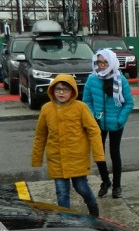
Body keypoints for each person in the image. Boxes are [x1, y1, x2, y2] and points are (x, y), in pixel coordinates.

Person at [31, 74, 104, 217]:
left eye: (65, 89)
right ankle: (65, 219)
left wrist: (99, 155)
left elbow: (94, 131)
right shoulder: (46, 109)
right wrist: (36, 158)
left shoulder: (80, 107)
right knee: (62, 192)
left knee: (82, 188)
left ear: (72, 91)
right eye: (58, 89)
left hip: (77, 159)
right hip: (56, 159)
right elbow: (40, 135)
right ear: (52, 90)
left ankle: (93, 209)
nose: (61, 92)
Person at [83, 48, 134, 199]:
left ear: (111, 62)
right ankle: (105, 181)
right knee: (99, 154)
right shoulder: (92, 79)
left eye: (105, 62)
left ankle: (117, 185)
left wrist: (120, 119)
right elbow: (87, 101)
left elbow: (129, 103)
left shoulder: (120, 79)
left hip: (116, 123)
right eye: (99, 62)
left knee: (114, 153)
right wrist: (94, 116)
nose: (102, 65)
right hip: (98, 123)